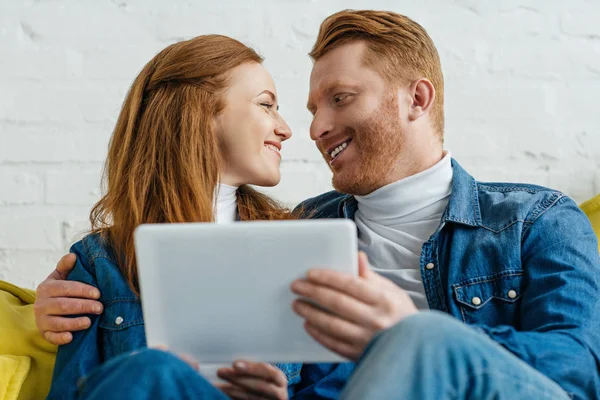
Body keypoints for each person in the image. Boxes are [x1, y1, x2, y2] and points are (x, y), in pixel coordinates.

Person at [36, 10, 600, 400]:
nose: (311, 129)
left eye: (340, 99)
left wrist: (406, 332)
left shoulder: (535, 220)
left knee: (422, 338)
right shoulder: (298, 231)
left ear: (417, 99)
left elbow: (576, 373)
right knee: (150, 371)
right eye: (304, 107)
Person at [43, 34, 354, 400]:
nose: (284, 128)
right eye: (266, 105)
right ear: (200, 114)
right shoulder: (100, 263)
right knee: (153, 369)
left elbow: (334, 391)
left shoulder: (300, 248)